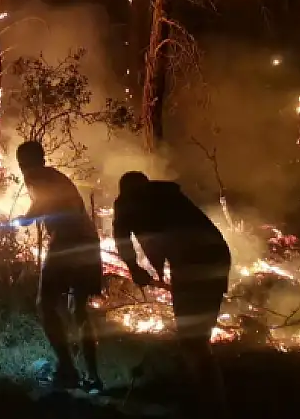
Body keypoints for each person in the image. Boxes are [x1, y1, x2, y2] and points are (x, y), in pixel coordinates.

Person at [112, 171, 231, 417]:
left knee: (192, 340)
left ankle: (210, 405)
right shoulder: (166, 195)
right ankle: (209, 399)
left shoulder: (129, 204)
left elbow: (123, 238)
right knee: (197, 338)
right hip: (216, 258)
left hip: (196, 263)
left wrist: (135, 268)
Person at [14, 140, 104, 391]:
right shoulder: (56, 176)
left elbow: (42, 203)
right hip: (88, 243)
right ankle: (94, 377)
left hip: (66, 242)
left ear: (23, 163)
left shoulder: (34, 176)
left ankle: (67, 370)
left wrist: (25, 219)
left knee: (45, 304)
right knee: (79, 309)